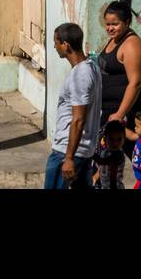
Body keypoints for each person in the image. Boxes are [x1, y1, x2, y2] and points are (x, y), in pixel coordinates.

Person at [44, 22, 101, 190]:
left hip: (67, 152)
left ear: (65, 45)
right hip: (82, 151)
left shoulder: (80, 75)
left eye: (56, 42)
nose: (54, 46)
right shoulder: (91, 67)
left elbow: (78, 119)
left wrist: (68, 158)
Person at [99, 0, 141, 149]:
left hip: (121, 110)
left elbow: (135, 83)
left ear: (127, 22)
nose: (110, 28)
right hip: (108, 109)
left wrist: (120, 115)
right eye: (107, 24)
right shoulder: (113, 40)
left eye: (115, 24)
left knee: (134, 152)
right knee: (107, 156)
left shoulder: (132, 45)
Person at [92, 119, 127, 190]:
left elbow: (103, 161)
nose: (115, 143)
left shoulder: (118, 154)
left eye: (119, 139)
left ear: (124, 139)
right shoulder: (105, 151)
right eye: (111, 139)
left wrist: (91, 155)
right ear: (105, 139)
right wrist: (96, 176)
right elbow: (103, 166)